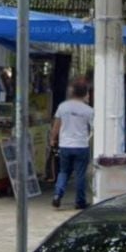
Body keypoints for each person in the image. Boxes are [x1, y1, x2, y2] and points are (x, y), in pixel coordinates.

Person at [51, 82, 94, 210]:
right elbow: (94, 128)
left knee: (63, 171)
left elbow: (56, 125)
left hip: (65, 145)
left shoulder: (62, 107)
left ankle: (57, 195)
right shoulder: (89, 110)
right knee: (80, 174)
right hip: (81, 145)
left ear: (72, 92)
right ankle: (80, 202)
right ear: (86, 94)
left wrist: (53, 139)